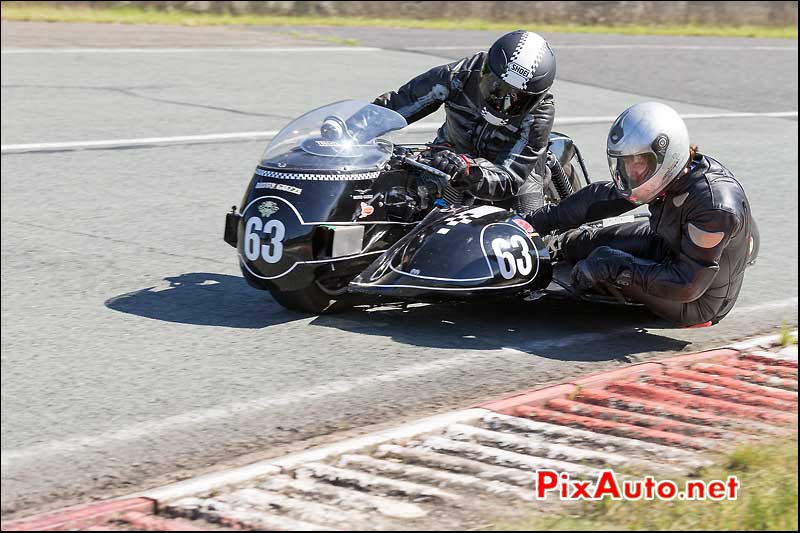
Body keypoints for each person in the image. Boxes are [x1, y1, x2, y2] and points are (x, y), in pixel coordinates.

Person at [527, 102, 759, 327]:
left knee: (602, 263)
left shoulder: (714, 209)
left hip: (698, 299)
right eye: (625, 162)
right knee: (576, 243)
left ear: (666, 156)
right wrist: (537, 222)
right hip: (669, 245)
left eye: (637, 162)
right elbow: (603, 198)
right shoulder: (672, 174)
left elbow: (688, 285)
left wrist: (615, 265)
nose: (630, 170)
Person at [370, 30, 557, 214]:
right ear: (484, 70)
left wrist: (469, 172)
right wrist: (349, 127)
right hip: (449, 156)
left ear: (537, 99)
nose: (502, 103)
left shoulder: (539, 115)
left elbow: (510, 179)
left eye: (520, 98)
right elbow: (395, 105)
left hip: (511, 170)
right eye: (496, 87)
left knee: (530, 227)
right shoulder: (459, 75)